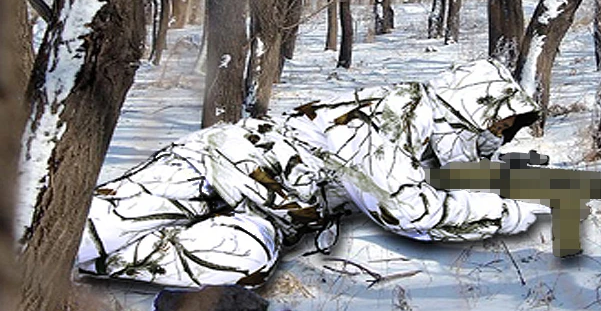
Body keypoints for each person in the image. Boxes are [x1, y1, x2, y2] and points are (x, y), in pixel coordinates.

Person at [78, 59, 545, 287]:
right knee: (85, 232)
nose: (498, 137)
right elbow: (409, 212)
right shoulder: (385, 119)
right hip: (208, 170)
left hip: (261, 215)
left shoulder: (416, 134)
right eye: (499, 124)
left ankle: (79, 272)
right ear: (468, 109)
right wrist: (503, 214)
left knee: (243, 255)